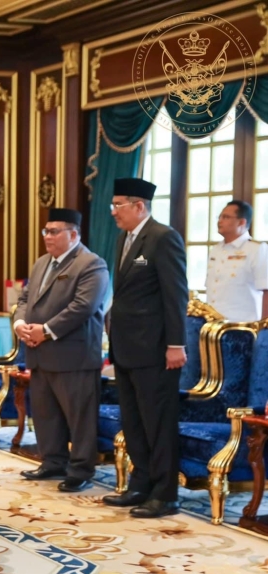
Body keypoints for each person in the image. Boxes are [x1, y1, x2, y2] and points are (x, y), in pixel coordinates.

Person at [104, 177, 188, 518]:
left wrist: (176, 344)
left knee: (158, 422)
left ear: (139, 206)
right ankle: (141, 484)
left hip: (156, 350)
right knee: (134, 421)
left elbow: (175, 295)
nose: (113, 213)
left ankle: (165, 493)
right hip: (125, 348)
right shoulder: (125, 238)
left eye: (118, 205)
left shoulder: (163, 238)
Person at [14, 208, 109, 492]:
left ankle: (80, 470)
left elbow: (83, 307)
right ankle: (52, 461)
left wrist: (46, 330)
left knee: (79, 417)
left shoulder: (91, 264)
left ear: (74, 234)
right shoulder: (42, 263)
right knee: (45, 413)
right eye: (46, 231)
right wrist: (20, 323)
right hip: (39, 351)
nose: (47, 236)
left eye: (54, 231)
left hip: (74, 355)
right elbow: (25, 297)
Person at [206, 200, 268, 321]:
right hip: (213, 326)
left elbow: (267, 290)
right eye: (219, 217)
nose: (220, 221)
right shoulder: (216, 249)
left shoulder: (257, 249)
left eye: (226, 217)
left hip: (243, 327)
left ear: (241, 222)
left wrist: (264, 329)